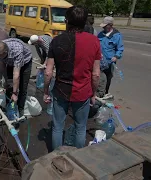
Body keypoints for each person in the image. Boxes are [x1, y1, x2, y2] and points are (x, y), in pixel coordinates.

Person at [43, 6, 101, 150]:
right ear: (85, 22)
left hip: (61, 90)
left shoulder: (56, 41)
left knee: (57, 127)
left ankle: (56, 155)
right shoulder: (94, 41)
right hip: (83, 91)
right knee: (80, 128)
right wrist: (93, 93)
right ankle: (78, 158)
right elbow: (96, 74)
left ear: (66, 21)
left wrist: (45, 91)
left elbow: (48, 72)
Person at [0, 38, 32, 116]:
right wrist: (6, 81)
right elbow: (2, 66)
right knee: (9, 86)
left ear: (5, 53)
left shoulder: (18, 51)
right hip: (10, 60)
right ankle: (9, 106)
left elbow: (16, 74)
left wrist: (14, 93)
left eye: (0, 57)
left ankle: (20, 108)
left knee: (22, 87)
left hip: (25, 61)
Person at [98, 16, 124, 94]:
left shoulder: (116, 36)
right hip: (99, 61)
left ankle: (105, 94)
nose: (104, 27)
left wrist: (116, 56)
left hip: (109, 62)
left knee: (107, 79)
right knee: (98, 78)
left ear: (110, 25)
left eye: (106, 25)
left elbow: (120, 48)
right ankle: (98, 94)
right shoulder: (100, 34)